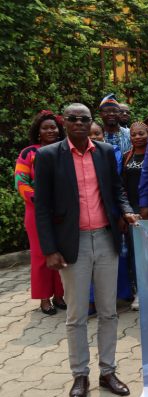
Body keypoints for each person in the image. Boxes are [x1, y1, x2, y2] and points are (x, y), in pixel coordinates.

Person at [34, 103, 139, 397]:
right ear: (64, 122)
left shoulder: (105, 152)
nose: (79, 123)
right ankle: (80, 374)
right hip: (72, 243)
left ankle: (108, 371)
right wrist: (49, 250)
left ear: (92, 122)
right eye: (73, 119)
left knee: (108, 311)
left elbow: (117, 190)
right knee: (77, 314)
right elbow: (42, 207)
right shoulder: (48, 156)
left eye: (84, 119)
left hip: (106, 238)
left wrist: (127, 211)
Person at [15, 111, 66, 315]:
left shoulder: (65, 150)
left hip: (62, 211)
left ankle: (60, 296)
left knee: (62, 254)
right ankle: (45, 299)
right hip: (37, 212)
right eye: (45, 127)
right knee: (41, 255)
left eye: (53, 127)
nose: (50, 130)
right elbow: (20, 182)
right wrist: (41, 200)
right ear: (38, 132)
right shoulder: (28, 153)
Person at [122, 121, 148, 310]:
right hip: (133, 213)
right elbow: (121, 186)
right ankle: (140, 292)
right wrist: (127, 211)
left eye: (142, 133)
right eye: (134, 134)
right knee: (136, 254)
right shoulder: (126, 156)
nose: (138, 137)